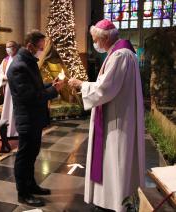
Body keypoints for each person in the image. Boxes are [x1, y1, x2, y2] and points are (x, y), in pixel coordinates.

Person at [68, 19, 145, 212]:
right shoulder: (120, 53)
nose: (95, 44)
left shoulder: (120, 56)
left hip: (117, 121)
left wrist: (81, 84)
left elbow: (105, 88)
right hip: (115, 115)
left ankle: (115, 203)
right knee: (113, 162)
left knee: (116, 161)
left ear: (106, 38)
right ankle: (112, 200)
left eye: (96, 40)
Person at [7, 30, 64, 207]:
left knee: (32, 153)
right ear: (30, 45)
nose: (41, 50)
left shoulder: (28, 62)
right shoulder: (18, 66)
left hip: (34, 118)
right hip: (27, 118)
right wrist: (54, 91)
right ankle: (23, 193)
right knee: (24, 156)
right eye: (40, 48)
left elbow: (36, 86)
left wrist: (50, 84)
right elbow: (30, 96)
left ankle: (31, 185)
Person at [0, 41, 21, 153]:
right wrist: (3, 77)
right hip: (7, 89)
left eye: (10, 47)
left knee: (16, 109)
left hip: (17, 89)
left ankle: (17, 131)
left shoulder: (19, 59)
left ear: (15, 48)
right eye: (6, 47)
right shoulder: (5, 60)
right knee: (7, 109)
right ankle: (7, 132)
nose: (8, 49)